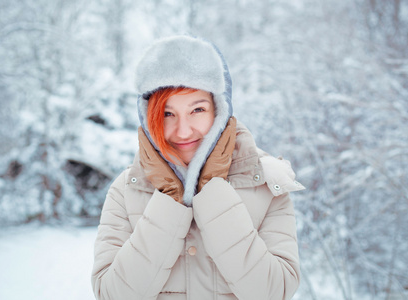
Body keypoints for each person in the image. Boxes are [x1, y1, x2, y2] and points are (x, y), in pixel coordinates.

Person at [91, 35, 305, 300]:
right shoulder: (127, 189)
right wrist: (171, 199)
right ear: (149, 118)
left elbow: (274, 292)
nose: (183, 130)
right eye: (168, 113)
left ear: (219, 110)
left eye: (197, 110)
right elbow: (112, 294)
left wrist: (211, 192)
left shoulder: (265, 181)